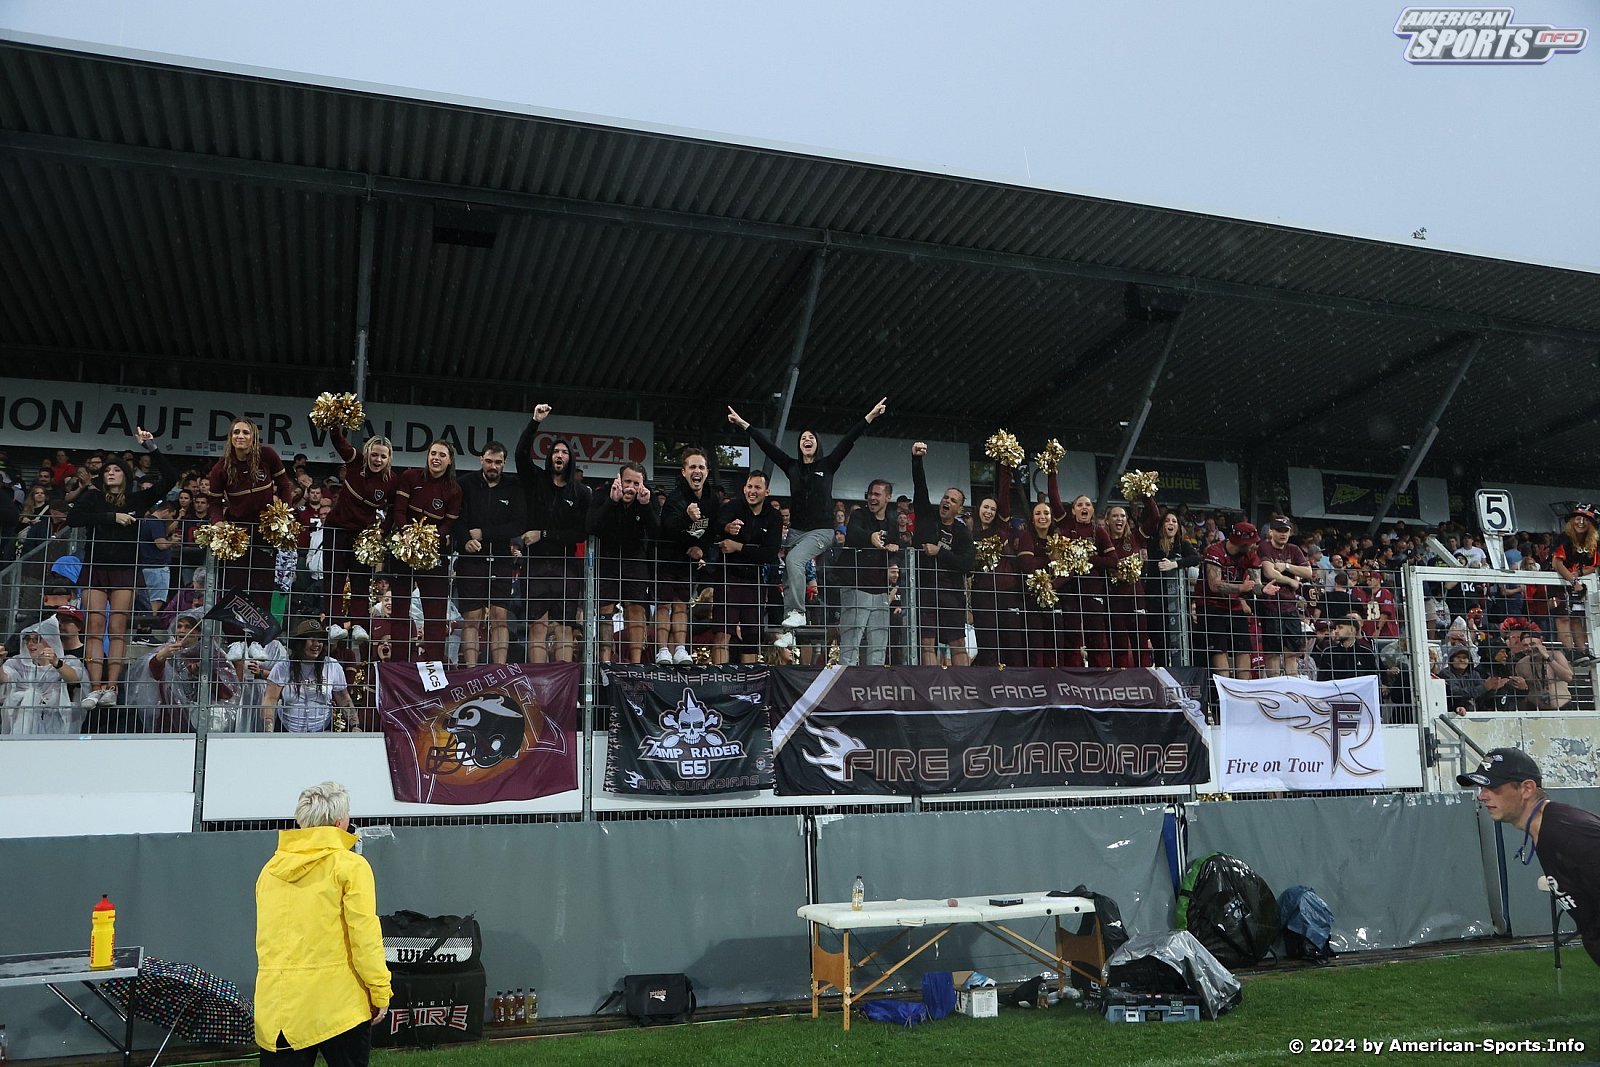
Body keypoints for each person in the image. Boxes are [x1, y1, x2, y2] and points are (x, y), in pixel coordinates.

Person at [254, 781, 391, 1067]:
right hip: (341, 1006)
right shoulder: (351, 866)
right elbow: (364, 937)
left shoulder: (269, 870)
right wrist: (380, 990)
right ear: (340, 822)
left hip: (279, 1009)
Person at [728, 397, 888, 631]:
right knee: (787, 572)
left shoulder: (828, 464)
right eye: (803, 437)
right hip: (796, 531)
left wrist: (871, 416)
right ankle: (789, 631)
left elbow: (849, 440)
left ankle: (798, 612)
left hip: (821, 531)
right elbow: (768, 447)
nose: (807, 439)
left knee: (794, 560)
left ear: (817, 444)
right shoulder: (791, 466)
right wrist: (744, 424)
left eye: (811, 437)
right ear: (799, 445)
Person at [67, 428, 177, 710]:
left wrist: (151, 447)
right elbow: (73, 517)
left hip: (125, 569)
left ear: (126, 475)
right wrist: (111, 516)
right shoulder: (93, 498)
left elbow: (171, 478)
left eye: (117, 469)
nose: (111, 473)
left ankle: (112, 687)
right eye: (107, 470)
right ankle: (94, 688)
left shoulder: (137, 499)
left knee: (118, 628)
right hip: (95, 567)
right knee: (93, 627)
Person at [1457, 749, 1600, 966]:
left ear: (1527, 789)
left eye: (1492, 787)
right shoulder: (1549, 829)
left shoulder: (1569, 833)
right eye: (1481, 788)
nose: (1482, 795)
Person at [514, 404, 592, 664]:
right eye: (556, 451)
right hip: (535, 562)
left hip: (565, 564)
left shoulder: (581, 493)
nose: (559, 455)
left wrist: (544, 534)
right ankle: (537, 682)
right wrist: (535, 422)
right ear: (550, 458)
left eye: (564, 452)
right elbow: (520, 454)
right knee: (538, 625)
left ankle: (563, 683)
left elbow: (580, 533)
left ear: (570, 459)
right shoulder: (536, 480)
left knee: (564, 628)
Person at [388, 441, 462, 662]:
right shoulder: (410, 477)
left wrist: (431, 539)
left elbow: (449, 524)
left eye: (442, 455)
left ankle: (433, 663)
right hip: (404, 549)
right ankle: (399, 662)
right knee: (400, 607)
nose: (436, 458)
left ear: (450, 460)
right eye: (433, 453)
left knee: (435, 611)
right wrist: (407, 533)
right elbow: (399, 511)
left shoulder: (454, 489)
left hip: (434, 554)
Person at [454, 442, 526, 667]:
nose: (492, 466)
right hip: (471, 560)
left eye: (497, 462)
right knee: (471, 618)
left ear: (504, 463)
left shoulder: (514, 486)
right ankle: (471, 671)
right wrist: (465, 540)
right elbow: (456, 517)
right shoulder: (465, 484)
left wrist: (484, 533)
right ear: (481, 460)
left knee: (500, 617)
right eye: (488, 461)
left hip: (502, 560)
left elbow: (518, 524)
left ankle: (499, 671)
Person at [321, 427, 396, 641]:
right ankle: (333, 623)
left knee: (361, 581)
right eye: (374, 454)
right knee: (334, 578)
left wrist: (383, 530)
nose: (378, 460)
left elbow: (394, 509)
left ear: (389, 458)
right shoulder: (356, 462)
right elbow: (339, 442)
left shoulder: (391, 480)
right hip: (337, 529)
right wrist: (335, 425)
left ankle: (359, 625)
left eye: (383, 456)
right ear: (367, 453)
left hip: (364, 535)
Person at [656, 447, 724, 666]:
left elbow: (712, 529)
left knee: (681, 605)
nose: (697, 471)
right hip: (667, 560)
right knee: (664, 605)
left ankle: (680, 649)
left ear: (707, 472)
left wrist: (701, 549)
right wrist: (687, 519)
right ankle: (663, 650)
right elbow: (668, 528)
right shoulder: (675, 498)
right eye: (692, 466)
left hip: (688, 563)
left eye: (701, 467)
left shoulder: (712, 498)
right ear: (683, 472)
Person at [908, 443, 974, 667]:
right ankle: (931, 685)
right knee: (927, 642)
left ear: (959, 509)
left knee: (957, 643)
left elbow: (968, 563)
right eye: (946, 497)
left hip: (951, 593)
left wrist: (940, 552)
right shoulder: (927, 517)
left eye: (953, 500)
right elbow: (920, 487)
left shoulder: (962, 532)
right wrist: (916, 460)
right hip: (926, 588)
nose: (947, 501)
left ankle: (963, 684)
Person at [124, 607, 240, 733]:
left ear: (199, 632)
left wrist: (206, 672)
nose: (181, 630)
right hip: (170, 719)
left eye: (187, 627)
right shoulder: (166, 651)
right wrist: (160, 658)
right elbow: (152, 676)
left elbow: (228, 693)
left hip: (203, 720)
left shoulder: (214, 655)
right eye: (179, 626)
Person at [586, 461, 657, 663]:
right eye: (627, 482)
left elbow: (656, 531)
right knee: (605, 608)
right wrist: (612, 502)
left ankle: (636, 663)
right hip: (607, 558)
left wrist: (645, 506)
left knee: (636, 608)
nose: (630, 487)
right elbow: (590, 526)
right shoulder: (604, 493)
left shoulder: (647, 497)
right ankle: (605, 661)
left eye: (636, 483)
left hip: (635, 559)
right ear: (619, 479)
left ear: (642, 484)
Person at [713, 470, 783, 664]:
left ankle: (750, 679)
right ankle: (720, 677)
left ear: (766, 492)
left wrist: (738, 546)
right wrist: (727, 528)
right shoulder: (732, 506)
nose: (752, 491)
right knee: (722, 632)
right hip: (728, 578)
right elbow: (716, 526)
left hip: (756, 581)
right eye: (749, 486)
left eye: (757, 487)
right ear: (744, 488)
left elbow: (769, 553)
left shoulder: (774, 517)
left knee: (751, 637)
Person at [837, 479, 899, 666]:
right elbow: (853, 533)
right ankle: (846, 681)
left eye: (877, 494)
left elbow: (895, 547)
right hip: (856, 587)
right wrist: (870, 537)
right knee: (850, 644)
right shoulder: (859, 515)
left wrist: (895, 549)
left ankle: (875, 682)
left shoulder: (892, 521)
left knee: (879, 647)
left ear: (888, 497)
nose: (872, 498)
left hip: (880, 591)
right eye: (870, 494)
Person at [1196, 521, 1262, 678]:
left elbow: (1256, 584)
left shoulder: (1250, 554)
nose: (1254, 546)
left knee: (1244, 648)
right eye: (1252, 542)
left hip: (1235, 604)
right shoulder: (1214, 551)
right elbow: (1214, 585)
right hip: (1210, 604)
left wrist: (1262, 589)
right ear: (1242, 542)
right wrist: (1241, 588)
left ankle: (1243, 689)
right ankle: (1224, 688)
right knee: (1219, 648)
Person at [0, 615, 85, 734]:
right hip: (19, 722)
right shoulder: (17, 662)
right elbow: (4, 678)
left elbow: (74, 678)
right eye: (27, 639)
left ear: (50, 639)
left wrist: (56, 663)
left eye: (36, 639)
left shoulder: (67, 660)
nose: (30, 644)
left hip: (54, 722)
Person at [1257, 517, 1314, 677]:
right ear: (1271, 532)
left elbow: (1308, 572)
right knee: (1273, 652)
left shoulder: (1294, 549)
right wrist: (1291, 580)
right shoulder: (1265, 547)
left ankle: (1291, 687)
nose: (1283, 534)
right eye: (1279, 530)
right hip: (1270, 606)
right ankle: (1274, 687)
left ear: (1290, 532)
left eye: (1286, 530)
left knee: (1292, 652)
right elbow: (1269, 572)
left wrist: (1286, 566)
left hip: (1290, 606)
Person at [1145, 510, 1199, 668]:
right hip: (1155, 598)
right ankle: (1161, 672)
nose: (1171, 523)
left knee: (1177, 638)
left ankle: (1179, 672)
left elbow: (1195, 558)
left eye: (1174, 521)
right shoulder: (1153, 543)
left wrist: (1175, 564)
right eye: (1167, 521)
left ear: (1178, 527)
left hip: (1176, 600)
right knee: (1159, 640)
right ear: (1162, 525)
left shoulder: (1182, 544)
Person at [1551, 503, 1597, 665]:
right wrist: (1573, 581)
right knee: (1563, 617)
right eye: (1578, 519)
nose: (1581, 523)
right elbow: (1556, 563)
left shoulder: (1593, 541)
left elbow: (1594, 566)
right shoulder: (1564, 537)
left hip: (1574, 582)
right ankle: (1569, 652)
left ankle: (1583, 652)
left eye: (1585, 520)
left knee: (1577, 617)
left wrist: (1579, 573)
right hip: (1556, 582)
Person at [1310, 615, 1380, 681]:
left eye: (1340, 628)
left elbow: (1374, 678)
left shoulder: (1366, 653)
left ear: (1351, 630)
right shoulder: (1328, 652)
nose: (1336, 631)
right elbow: (1322, 679)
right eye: (1335, 628)